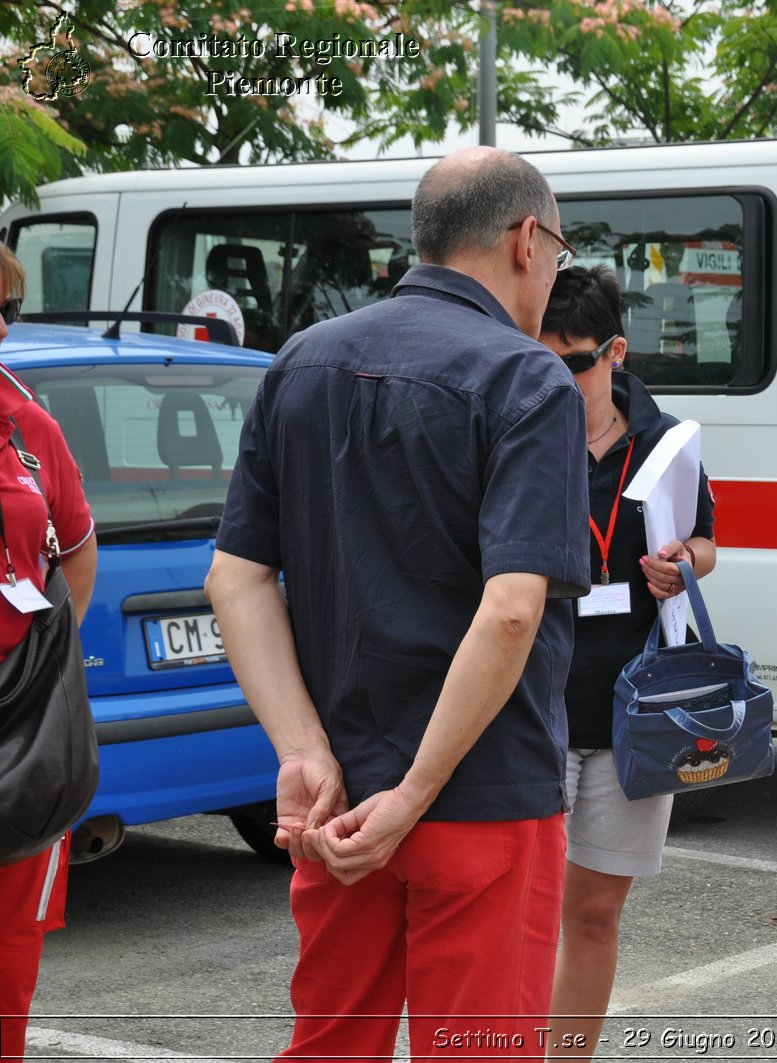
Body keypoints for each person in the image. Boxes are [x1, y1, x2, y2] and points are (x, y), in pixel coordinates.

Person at [205, 147, 590, 1061]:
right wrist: (416, 792)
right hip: (483, 792)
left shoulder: (301, 359)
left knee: (334, 1042)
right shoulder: (529, 379)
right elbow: (508, 610)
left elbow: (236, 576)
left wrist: (302, 752)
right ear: (527, 238)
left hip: (335, 794)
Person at [537, 266, 716, 1060]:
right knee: (521, 913)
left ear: (616, 351)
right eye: (538, 359)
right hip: (528, 707)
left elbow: (706, 536)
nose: (556, 378)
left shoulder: (667, 440)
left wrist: (687, 560)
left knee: (594, 915)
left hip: (632, 711)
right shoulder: (517, 431)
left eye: (572, 362)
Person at [0, 244, 98, 1061]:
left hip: (21, 728)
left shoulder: (27, 422)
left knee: (9, 967)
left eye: (1, 311)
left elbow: (77, 546)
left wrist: (49, 666)